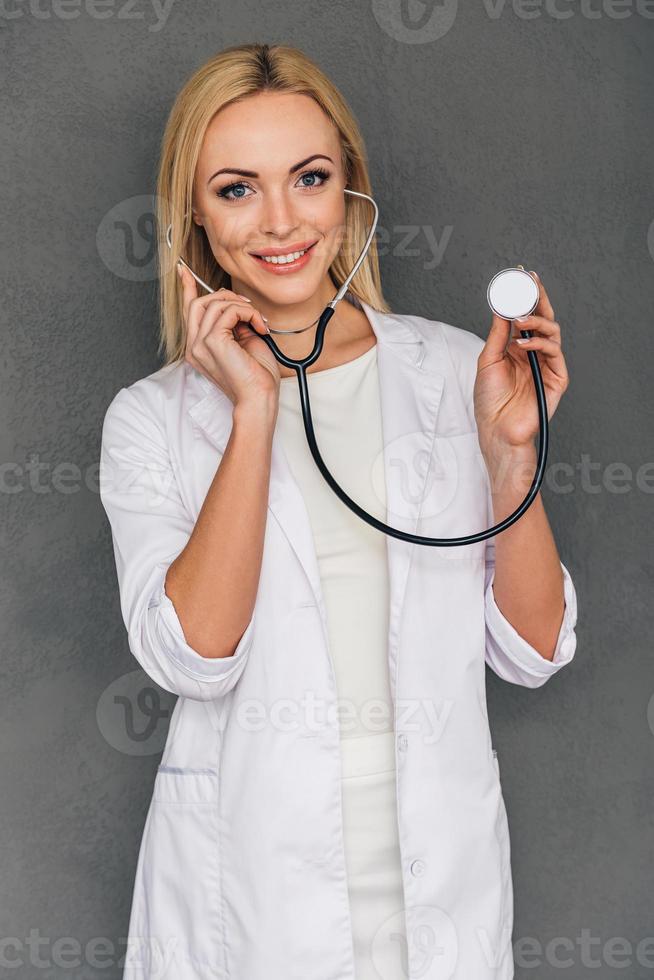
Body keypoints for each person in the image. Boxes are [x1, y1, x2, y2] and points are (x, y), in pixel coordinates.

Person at [99, 42, 579, 980]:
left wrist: (510, 452)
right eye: (237, 189)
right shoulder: (152, 419)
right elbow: (194, 657)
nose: (281, 221)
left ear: (349, 190)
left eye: (309, 178)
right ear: (191, 217)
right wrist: (252, 412)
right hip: (250, 893)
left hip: (434, 882)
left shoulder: (454, 372)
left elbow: (531, 652)